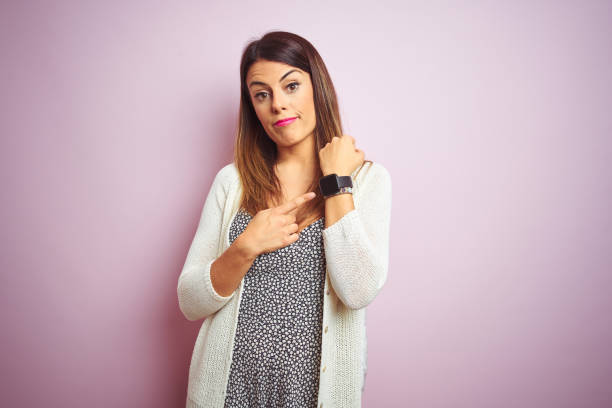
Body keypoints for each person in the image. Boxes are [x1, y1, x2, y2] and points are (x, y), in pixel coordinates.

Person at [177, 31, 392, 408]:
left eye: (291, 85)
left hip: (313, 397)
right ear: (253, 108)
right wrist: (246, 246)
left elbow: (358, 290)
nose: (278, 104)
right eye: (261, 94)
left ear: (317, 87)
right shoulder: (233, 182)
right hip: (228, 393)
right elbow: (190, 301)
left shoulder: (367, 181)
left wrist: (336, 183)